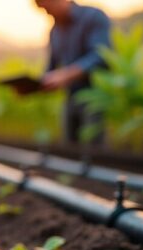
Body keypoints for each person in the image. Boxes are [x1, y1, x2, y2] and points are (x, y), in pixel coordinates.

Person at [35, 0, 111, 145]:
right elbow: (50, 69)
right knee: (70, 148)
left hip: (95, 95)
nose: (48, 13)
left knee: (94, 148)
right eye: (44, 10)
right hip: (70, 97)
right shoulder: (55, 31)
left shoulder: (93, 17)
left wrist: (66, 75)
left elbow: (100, 56)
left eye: (49, 7)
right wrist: (34, 86)